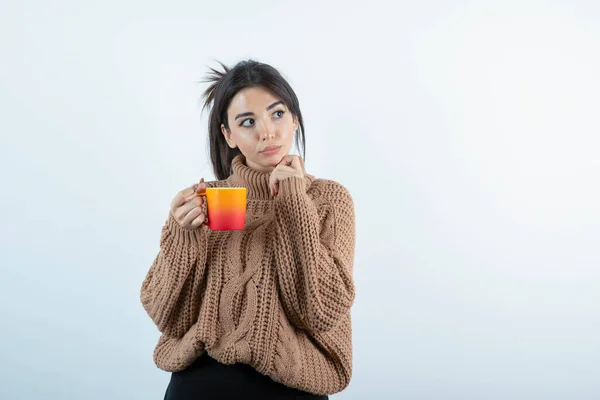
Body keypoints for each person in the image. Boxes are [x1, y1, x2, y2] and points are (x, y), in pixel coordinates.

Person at [140, 59, 356, 399]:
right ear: (229, 135)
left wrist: (294, 203)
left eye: (278, 114)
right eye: (247, 121)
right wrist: (183, 237)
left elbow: (320, 312)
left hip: (293, 386)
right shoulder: (209, 201)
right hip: (199, 385)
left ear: (295, 118)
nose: (266, 131)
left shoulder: (326, 200)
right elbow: (168, 318)